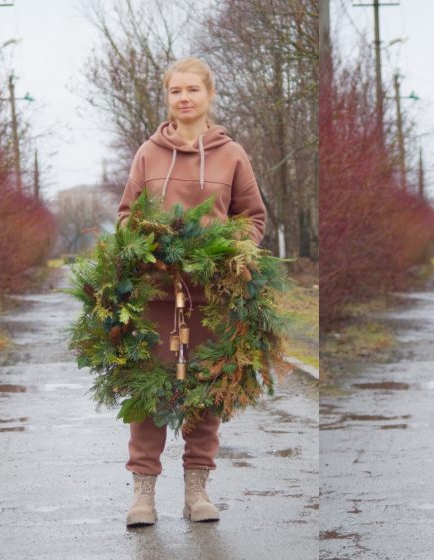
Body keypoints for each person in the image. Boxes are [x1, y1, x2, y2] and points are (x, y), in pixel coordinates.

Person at [115, 57, 267, 526]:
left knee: (205, 389)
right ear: (168, 98)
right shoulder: (148, 153)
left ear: (209, 95)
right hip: (156, 294)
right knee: (150, 391)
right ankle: (143, 496)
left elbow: (252, 217)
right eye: (175, 91)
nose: (183, 98)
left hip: (211, 296)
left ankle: (196, 493)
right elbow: (126, 216)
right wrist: (148, 247)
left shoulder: (232, 154)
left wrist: (230, 249)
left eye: (192, 90)